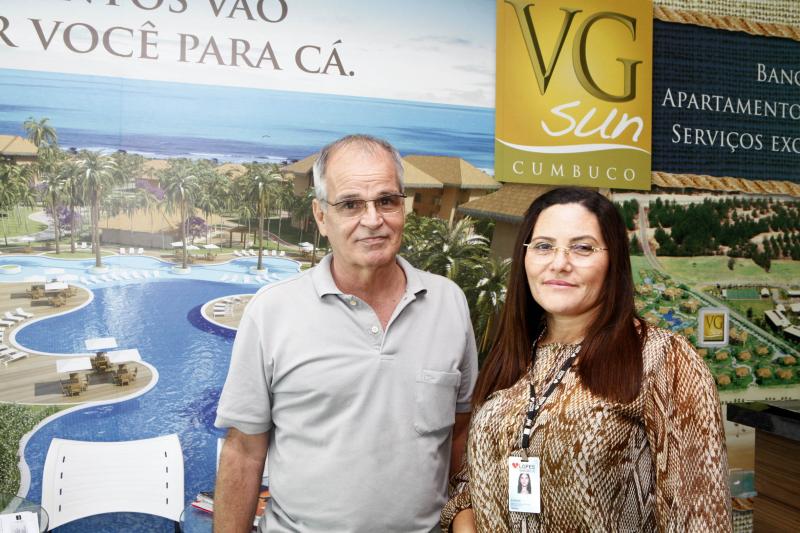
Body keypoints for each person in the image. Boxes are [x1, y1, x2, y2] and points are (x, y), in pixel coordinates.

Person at [214, 134, 478, 532]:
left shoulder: (449, 303)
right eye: (351, 204)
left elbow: (460, 431)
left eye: (386, 201)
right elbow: (244, 451)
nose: (373, 220)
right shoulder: (272, 312)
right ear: (321, 216)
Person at [442, 187, 731, 532]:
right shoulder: (512, 355)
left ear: (613, 261)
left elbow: (699, 517)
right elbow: (470, 484)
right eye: (544, 246)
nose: (559, 263)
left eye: (582, 248)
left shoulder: (662, 358)